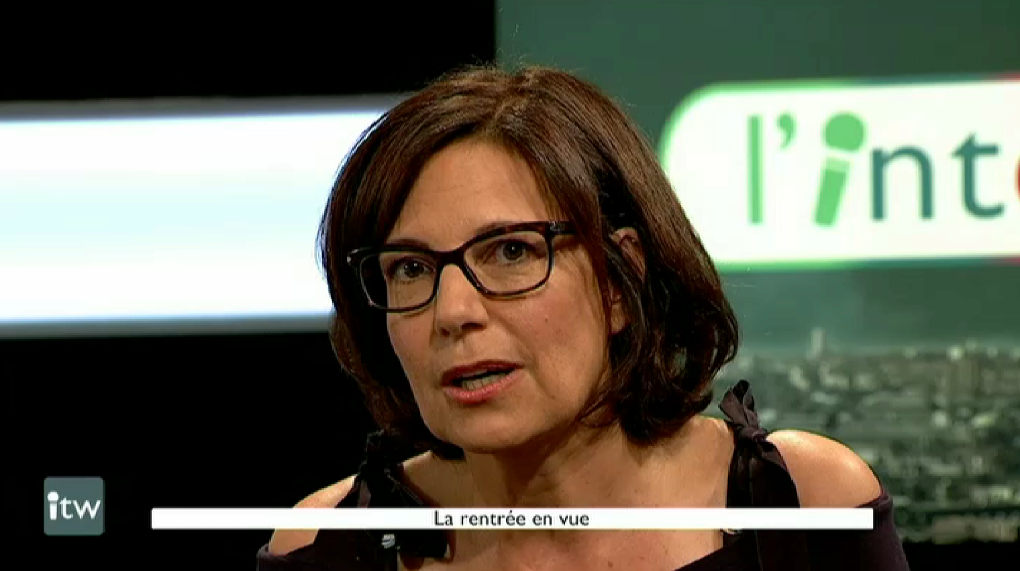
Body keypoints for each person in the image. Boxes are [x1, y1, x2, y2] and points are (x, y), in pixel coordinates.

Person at [256, 65, 911, 570]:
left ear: (619, 282)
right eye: (410, 267)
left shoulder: (807, 505)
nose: (452, 312)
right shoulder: (325, 544)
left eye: (511, 252)